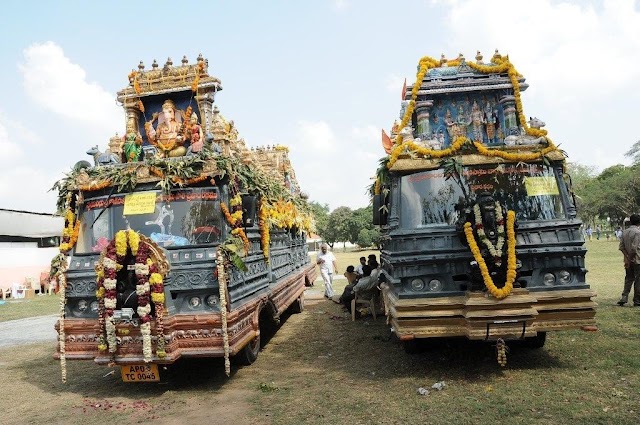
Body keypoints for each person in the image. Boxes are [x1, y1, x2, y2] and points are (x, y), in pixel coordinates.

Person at [617, 214, 640, 306]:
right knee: (638, 280)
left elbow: (622, 247)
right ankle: (637, 300)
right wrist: (630, 258)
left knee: (628, 278)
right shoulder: (637, 232)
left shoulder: (625, 232)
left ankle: (624, 296)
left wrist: (627, 258)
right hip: (637, 259)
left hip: (627, 259)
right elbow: (634, 249)